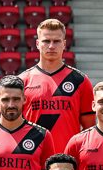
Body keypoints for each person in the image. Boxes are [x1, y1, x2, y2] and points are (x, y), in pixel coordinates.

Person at [18, 18, 94, 150]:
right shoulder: (22, 80)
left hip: (67, 161)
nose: (51, 46)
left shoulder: (80, 80)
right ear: (37, 43)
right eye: (46, 41)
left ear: (64, 44)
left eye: (56, 41)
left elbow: (89, 129)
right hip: (33, 158)